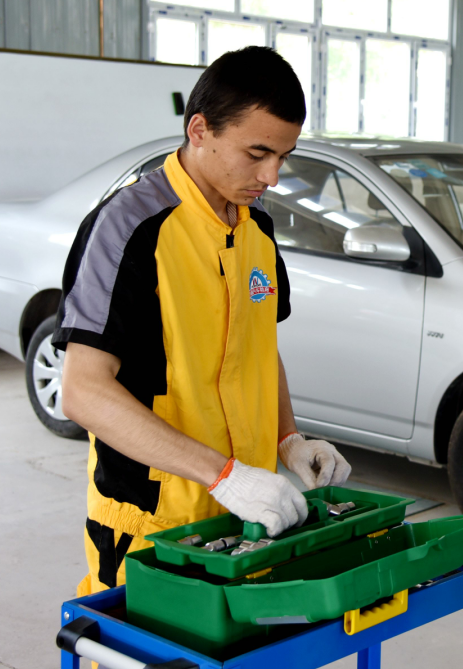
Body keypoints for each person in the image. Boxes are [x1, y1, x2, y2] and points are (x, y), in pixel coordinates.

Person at [56, 46, 350, 596]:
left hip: (248, 515)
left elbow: (259, 346)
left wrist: (289, 438)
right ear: (199, 129)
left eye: (284, 157)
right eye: (257, 153)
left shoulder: (255, 226)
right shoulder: (130, 229)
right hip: (155, 524)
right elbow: (83, 393)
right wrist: (224, 475)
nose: (273, 176)